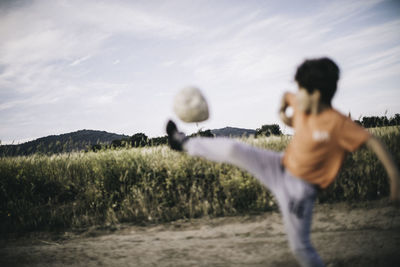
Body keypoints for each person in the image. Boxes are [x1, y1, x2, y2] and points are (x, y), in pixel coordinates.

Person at [166, 57, 400, 267]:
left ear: (316, 94)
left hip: (299, 189)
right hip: (280, 164)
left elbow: (372, 141)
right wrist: (283, 115)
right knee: (234, 148)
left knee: (300, 247)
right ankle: (182, 143)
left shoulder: (337, 124)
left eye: (301, 90)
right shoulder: (301, 102)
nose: (296, 95)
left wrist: (393, 175)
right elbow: (286, 98)